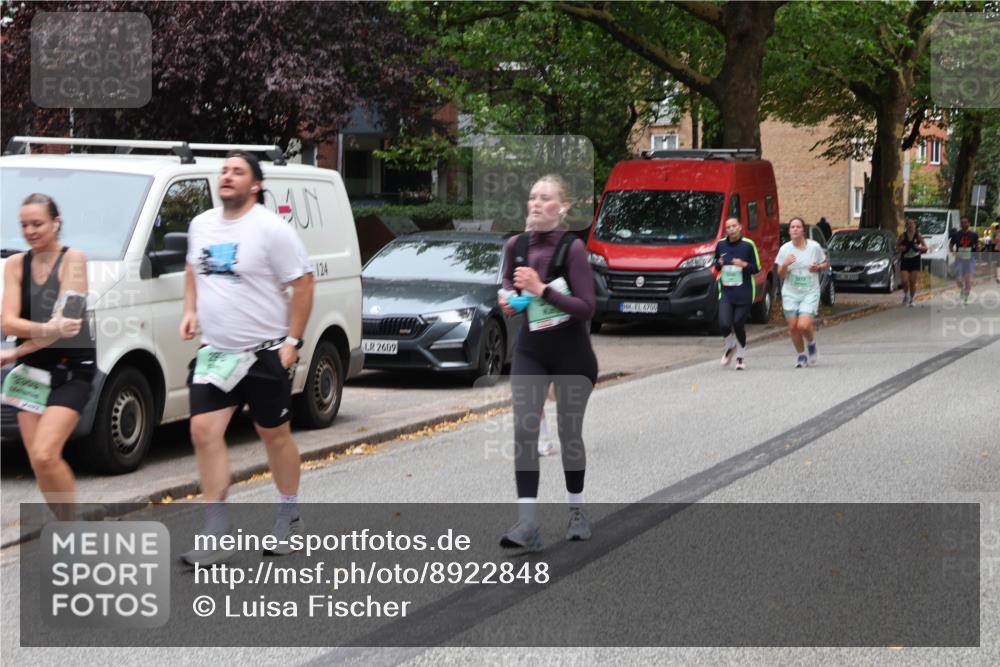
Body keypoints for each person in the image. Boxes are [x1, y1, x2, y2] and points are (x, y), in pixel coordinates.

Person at [178, 151, 315, 566]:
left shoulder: (271, 229)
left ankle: (288, 513)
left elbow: (304, 283)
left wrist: (293, 342)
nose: (227, 176)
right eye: (223, 171)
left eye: (237, 172)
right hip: (216, 353)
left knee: (273, 434)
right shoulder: (200, 225)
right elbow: (191, 269)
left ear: (255, 185)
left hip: (264, 353)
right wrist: (190, 310)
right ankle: (217, 532)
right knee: (204, 431)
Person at [498, 174, 598, 550]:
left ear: (563, 207)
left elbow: (588, 307)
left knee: (569, 435)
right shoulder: (516, 245)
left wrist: (542, 290)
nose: (536, 203)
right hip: (531, 350)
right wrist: (508, 300)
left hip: (572, 352)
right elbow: (508, 286)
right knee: (525, 429)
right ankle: (527, 524)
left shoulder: (572, 249)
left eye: (545, 197)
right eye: (532, 196)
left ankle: (576, 510)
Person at [1, 194, 94, 520]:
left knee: (45, 453)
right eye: (24, 225)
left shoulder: (74, 259)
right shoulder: (15, 265)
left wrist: (17, 348)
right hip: (30, 372)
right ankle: (69, 524)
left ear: (56, 223)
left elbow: (66, 328)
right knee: (39, 463)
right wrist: (45, 327)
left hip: (71, 369)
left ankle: (73, 528)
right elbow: (6, 321)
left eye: (37, 223)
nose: (30, 231)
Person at [776, 217, 828, 367]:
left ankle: (811, 343)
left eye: (798, 227)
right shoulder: (785, 249)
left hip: (809, 292)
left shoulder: (814, 247)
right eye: (792, 227)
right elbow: (780, 274)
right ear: (789, 231)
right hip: (791, 292)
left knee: (803, 326)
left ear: (803, 230)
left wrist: (817, 267)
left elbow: (825, 263)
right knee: (793, 327)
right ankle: (801, 355)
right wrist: (785, 264)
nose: (795, 229)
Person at [713, 217, 760, 371]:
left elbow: (756, 268)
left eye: (734, 226)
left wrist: (744, 264)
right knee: (724, 324)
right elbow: (716, 264)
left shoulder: (748, 245)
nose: (731, 229)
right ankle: (730, 346)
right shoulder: (720, 244)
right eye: (728, 227)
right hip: (726, 291)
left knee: (738, 323)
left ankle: (740, 357)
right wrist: (718, 264)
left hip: (744, 291)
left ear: (740, 227)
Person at [897, 217, 928, 307]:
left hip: (915, 260)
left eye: (912, 224)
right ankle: (906, 295)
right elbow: (897, 246)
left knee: (912, 281)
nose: (910, 225)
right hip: (905, 260)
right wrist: (900, 248)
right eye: (908, 224)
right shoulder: (902, 236)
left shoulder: (918, 236)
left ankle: (912, 299)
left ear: (915, 225)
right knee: (904, 281)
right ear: (906, 226)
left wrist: (919, 248)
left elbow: (926, 248)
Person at [949, 216, 978, 306]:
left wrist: (975, 252)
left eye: (965, 222)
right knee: (958, 280)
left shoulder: (974, 235)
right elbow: (951, 244)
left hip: (970, 260)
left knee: (968, 279)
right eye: (962, 222)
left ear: (969, 223)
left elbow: (976, 246)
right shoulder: (956, 234)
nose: (964, 224)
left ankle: (965, 298)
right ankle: (962, 289)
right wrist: (954, 252)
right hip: (959, 260)